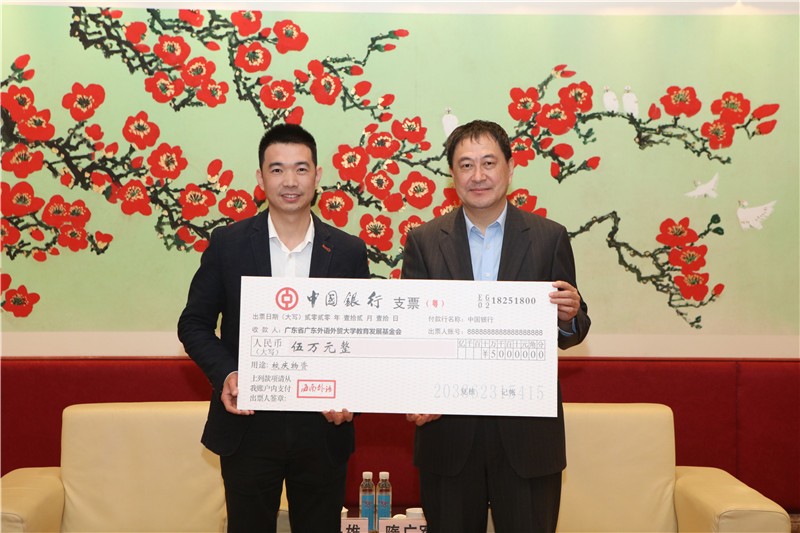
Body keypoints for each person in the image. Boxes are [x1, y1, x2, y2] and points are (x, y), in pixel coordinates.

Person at [178, 123, 370, 533]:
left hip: (323, 427)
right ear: (261, 177)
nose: (290, 181)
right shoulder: (228, 244)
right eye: (277, 169)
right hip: (248, 423)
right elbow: (193, 323)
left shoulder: (348, 251)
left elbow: (362, 339)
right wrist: (227, 373)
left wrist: (350, 393)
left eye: (301, 169)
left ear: (317, 176)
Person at [401, 120, 590, 533]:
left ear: (510, 167)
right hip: (447, 435)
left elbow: (573, 329)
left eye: (489, 163)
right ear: (452, 174)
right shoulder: (424, 241)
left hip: (527, 438)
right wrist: (415, 392)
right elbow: (411, 334)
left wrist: (569, 315)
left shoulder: (548, 237)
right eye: (466, 165)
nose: (478, 175)